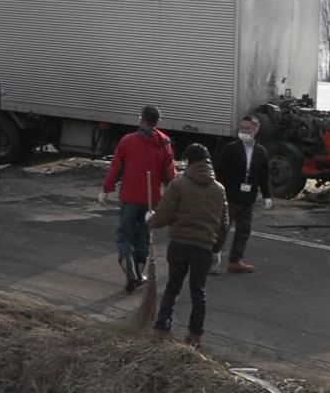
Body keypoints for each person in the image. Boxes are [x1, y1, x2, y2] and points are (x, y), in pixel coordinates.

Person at [149, 144, 228, 345]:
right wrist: (216, 248)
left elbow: (164, 215)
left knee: (173, 287)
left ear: (188, 161)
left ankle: (161, 328)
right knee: (198, 292)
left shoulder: (178, 185)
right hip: (203, 248)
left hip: (180, 244)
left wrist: (151, 220)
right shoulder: (219, 189)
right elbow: (224, 223)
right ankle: (195, 335)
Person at [102, 105, 177, 291]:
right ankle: (139, 270)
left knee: (125, 234)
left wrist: (106, 189)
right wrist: (174, 195)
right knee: (144, 235)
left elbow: (116, 167)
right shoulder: (164, 142)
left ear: (141, 119)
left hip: (130, 196)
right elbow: (169, 173)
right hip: (151, 199)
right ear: (157, 121)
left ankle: (128, 262)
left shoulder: (128, 140)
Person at [214, 115, 271, 274]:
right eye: (242, 128)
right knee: (222, 229)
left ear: (256, 129)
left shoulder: (260, 151)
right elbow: (219, 171)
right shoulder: (230, 148)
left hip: (248, 197)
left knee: (243, 230)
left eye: (247, 129)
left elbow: (264, 175)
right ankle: (212, 260)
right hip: (230, 196)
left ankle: (235, 261)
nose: (244, 131)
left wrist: (266, 195)